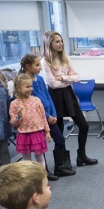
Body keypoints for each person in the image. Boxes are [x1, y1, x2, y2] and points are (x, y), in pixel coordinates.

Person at [41, 31, 98, 166]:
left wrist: (62, 78)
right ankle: (62, 162)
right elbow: (52, 84)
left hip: (68, 94)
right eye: (57, 41)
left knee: (84, 126)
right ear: (49, 43)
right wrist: (68, 79)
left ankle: (81, 156)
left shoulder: (65, 58)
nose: (61, 44)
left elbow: (78, 77)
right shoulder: (44, 61)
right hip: (55, 97)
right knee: (59, 131)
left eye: (61, 41)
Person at [19, 54, 76, 178]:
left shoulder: (39, 79)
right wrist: (46, 116)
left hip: (50, 116)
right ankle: (44, 171)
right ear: (28, 66)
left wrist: (53, 114)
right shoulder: (25, 83)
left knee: (60, 139)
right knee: (40, 146)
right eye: (37, 65)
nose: (40, 67)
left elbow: (48, 97)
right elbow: (31, 105)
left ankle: (59, 167)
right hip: (38, 119)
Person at [9, 74, 51, 168]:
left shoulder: (36, 100)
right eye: (27, 86)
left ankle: (42, 179)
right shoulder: (14, 104)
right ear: (18, 88)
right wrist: (18, 117)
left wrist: (47, 131)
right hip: (24, 134)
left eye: (31, 86)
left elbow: (43, 117)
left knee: (40, 158)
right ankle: (29, 180)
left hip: (37, 133)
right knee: (26, 160)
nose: (30, 89)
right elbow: (14, 123)